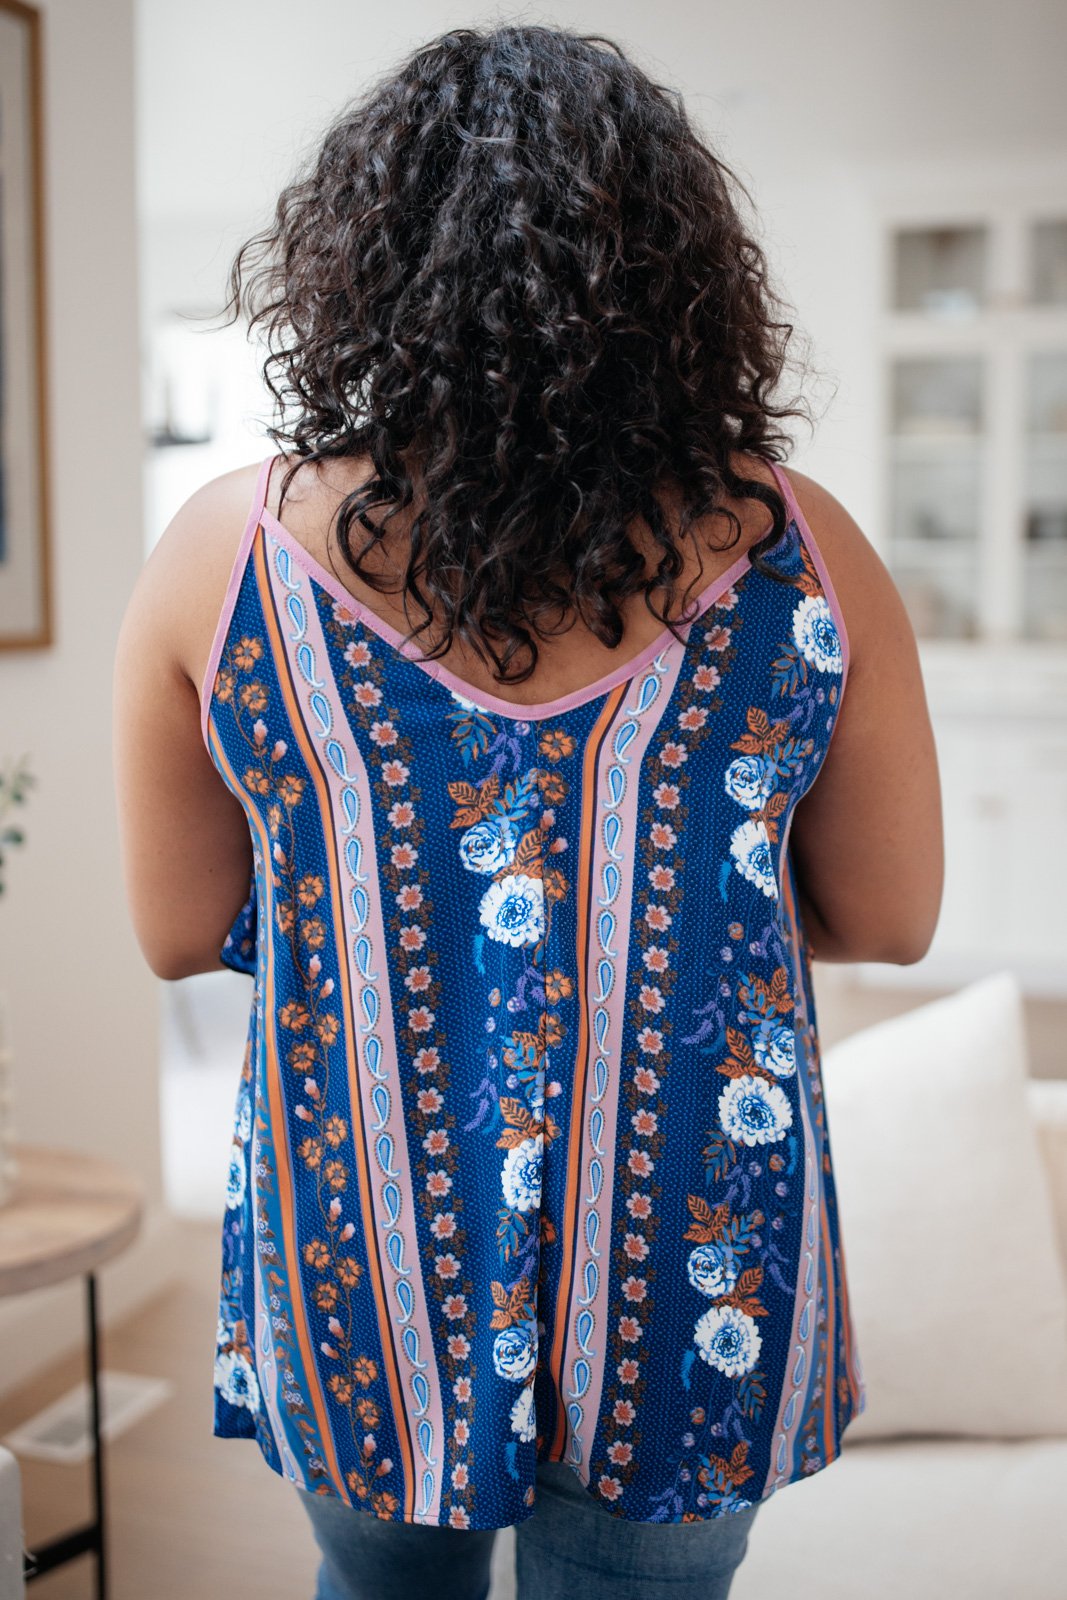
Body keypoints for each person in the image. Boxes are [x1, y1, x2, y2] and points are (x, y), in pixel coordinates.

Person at [113, 23, 943, 1600]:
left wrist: (381, 901)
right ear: (678, 278)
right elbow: (890, 915)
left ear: (358, 270)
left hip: (361, 1232)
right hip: (692, 1244)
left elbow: (174, 932)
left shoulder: (226, 563)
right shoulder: (798, 551)